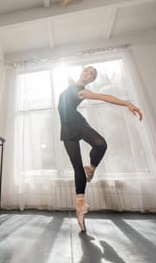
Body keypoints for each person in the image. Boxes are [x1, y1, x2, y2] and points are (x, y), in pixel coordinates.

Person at [58, 66, 142, 232]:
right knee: (77, 168)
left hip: (79, 124)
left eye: (91, 75)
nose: (87, 74)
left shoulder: (82, 91)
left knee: (101, 144)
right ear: (81, 72)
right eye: (86, 71)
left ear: (90, 80)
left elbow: (105, 97)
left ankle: (92, 167)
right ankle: (80, 205)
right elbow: (67, 80)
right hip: (67, 131)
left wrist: (127, 103)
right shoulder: (70, 84)